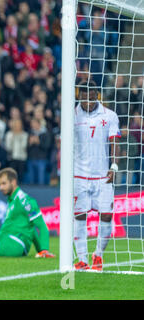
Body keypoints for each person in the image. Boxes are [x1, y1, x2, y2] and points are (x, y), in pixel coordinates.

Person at [73, 80, 120, 271]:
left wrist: (114, 166)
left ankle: (98, 255)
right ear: (79, 95)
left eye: (91, 94)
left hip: (103, 176)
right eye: (84, 94)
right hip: (79, 176)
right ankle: (82, 259)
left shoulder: (109, 116)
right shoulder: (72, 115)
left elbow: (115, 141)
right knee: (79, 217)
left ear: (96, 95)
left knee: (107, 216)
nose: (88, 98)